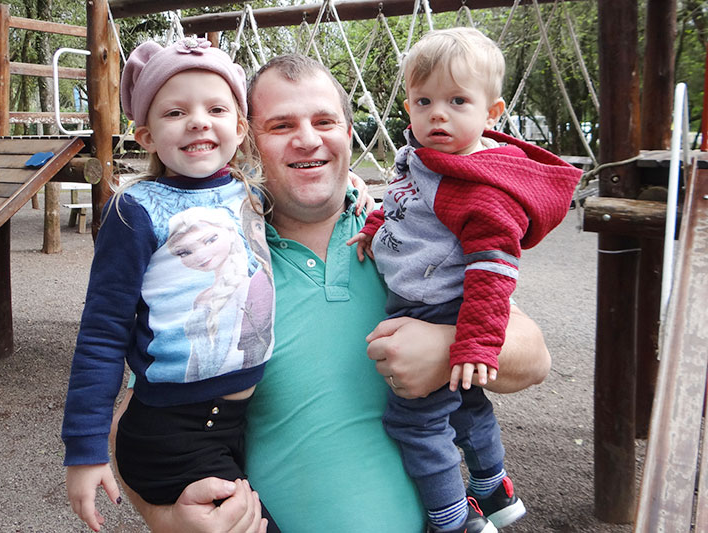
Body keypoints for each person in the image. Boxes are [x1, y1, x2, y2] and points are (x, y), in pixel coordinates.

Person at [108, 53, 554, 533]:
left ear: (347, 133)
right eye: (281, 125)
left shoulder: (410, 237)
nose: (307, 139)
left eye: (325, 122)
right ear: (248, 140)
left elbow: (534, 358)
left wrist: (447, 349)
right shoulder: (221, 259)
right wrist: (167, 518)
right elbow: (134, 419)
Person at [347, 28, 581, 533]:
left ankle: (452, 519)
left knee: (414, 421)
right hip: (421, 295)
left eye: (457, 101)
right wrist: (373, 226)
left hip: (444, 305)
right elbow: (402, 201)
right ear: (408, 106)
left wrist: (472, 343)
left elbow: (493, 272)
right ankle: (494, 487)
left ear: (491, 113)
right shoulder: (422, 153)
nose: (438, 114)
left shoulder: (480, 189)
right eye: (424, 101)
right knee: (465, 401)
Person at [61, 37, 280, 532]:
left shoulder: (250, 193)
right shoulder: (135, 211)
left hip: (237, 425)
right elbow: (101, 332)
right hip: (172, 433)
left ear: (239, 127)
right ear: (146, 135)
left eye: (215, 109)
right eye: (176, 112)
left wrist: (353, 189)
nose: (198, 121)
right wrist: (85, 448)